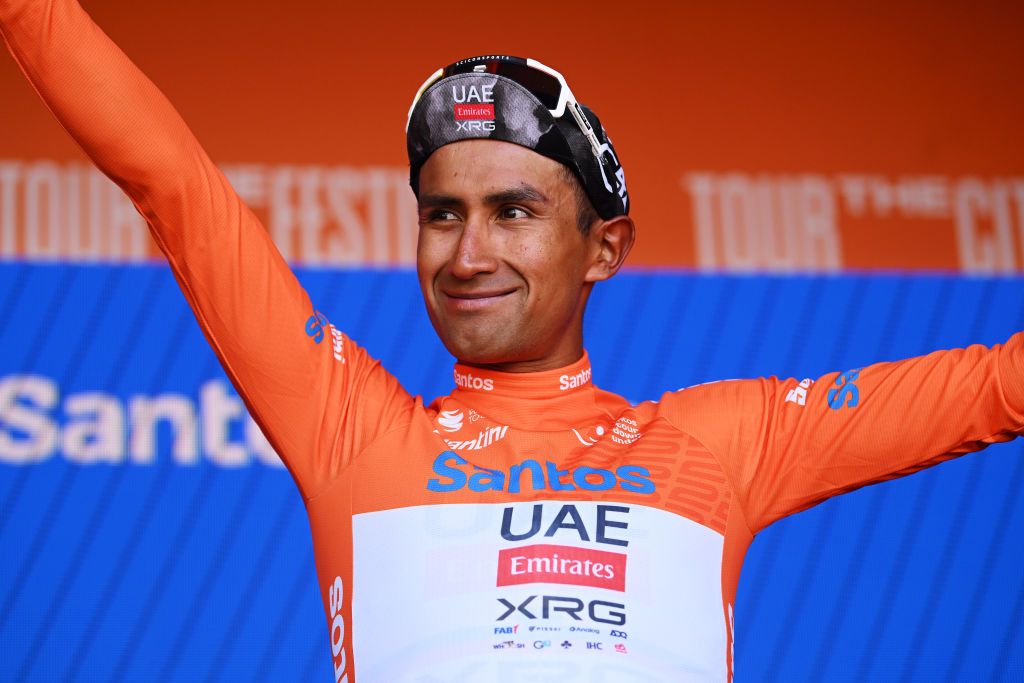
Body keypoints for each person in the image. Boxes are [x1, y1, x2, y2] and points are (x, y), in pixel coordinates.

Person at [2, 1, 1022, 681]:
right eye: (440, 213)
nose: (467, 252)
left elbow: (995, 387)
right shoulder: (351, 427)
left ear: (603, 247)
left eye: (513, 210)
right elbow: (169, 181)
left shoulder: (714, 445)